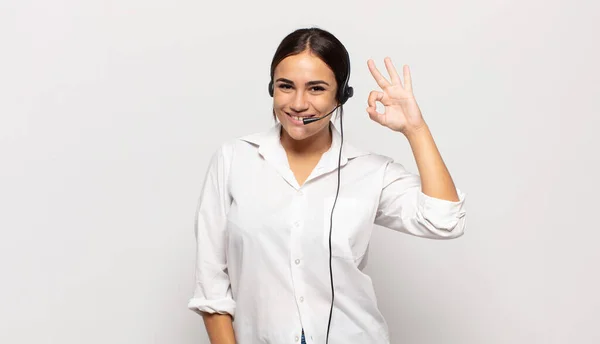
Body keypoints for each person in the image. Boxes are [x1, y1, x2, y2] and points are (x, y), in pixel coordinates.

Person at [187, 27, 467, 344]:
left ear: (341, 95)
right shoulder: (234, 159)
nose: (298, 103)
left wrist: (415, 129)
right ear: (271, 89)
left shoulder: (370, 171)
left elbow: (445, 220)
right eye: (286, 86)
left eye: (316, 88)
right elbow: (211, 282)